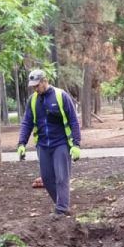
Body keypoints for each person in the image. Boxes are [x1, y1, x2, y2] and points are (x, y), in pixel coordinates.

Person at [17, 69, 81, 217]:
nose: (35, 89)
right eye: (33, 86)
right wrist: (21, 143)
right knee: (46, 178)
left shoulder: (60, 96)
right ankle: (62, 205)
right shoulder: (33, 100)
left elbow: (73, 121)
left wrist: (76, 144)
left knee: (61, 177)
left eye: (37, 85)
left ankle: (61, 210)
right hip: (43, 145)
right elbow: (27, 122)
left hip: (61, 143)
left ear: (45, 81)